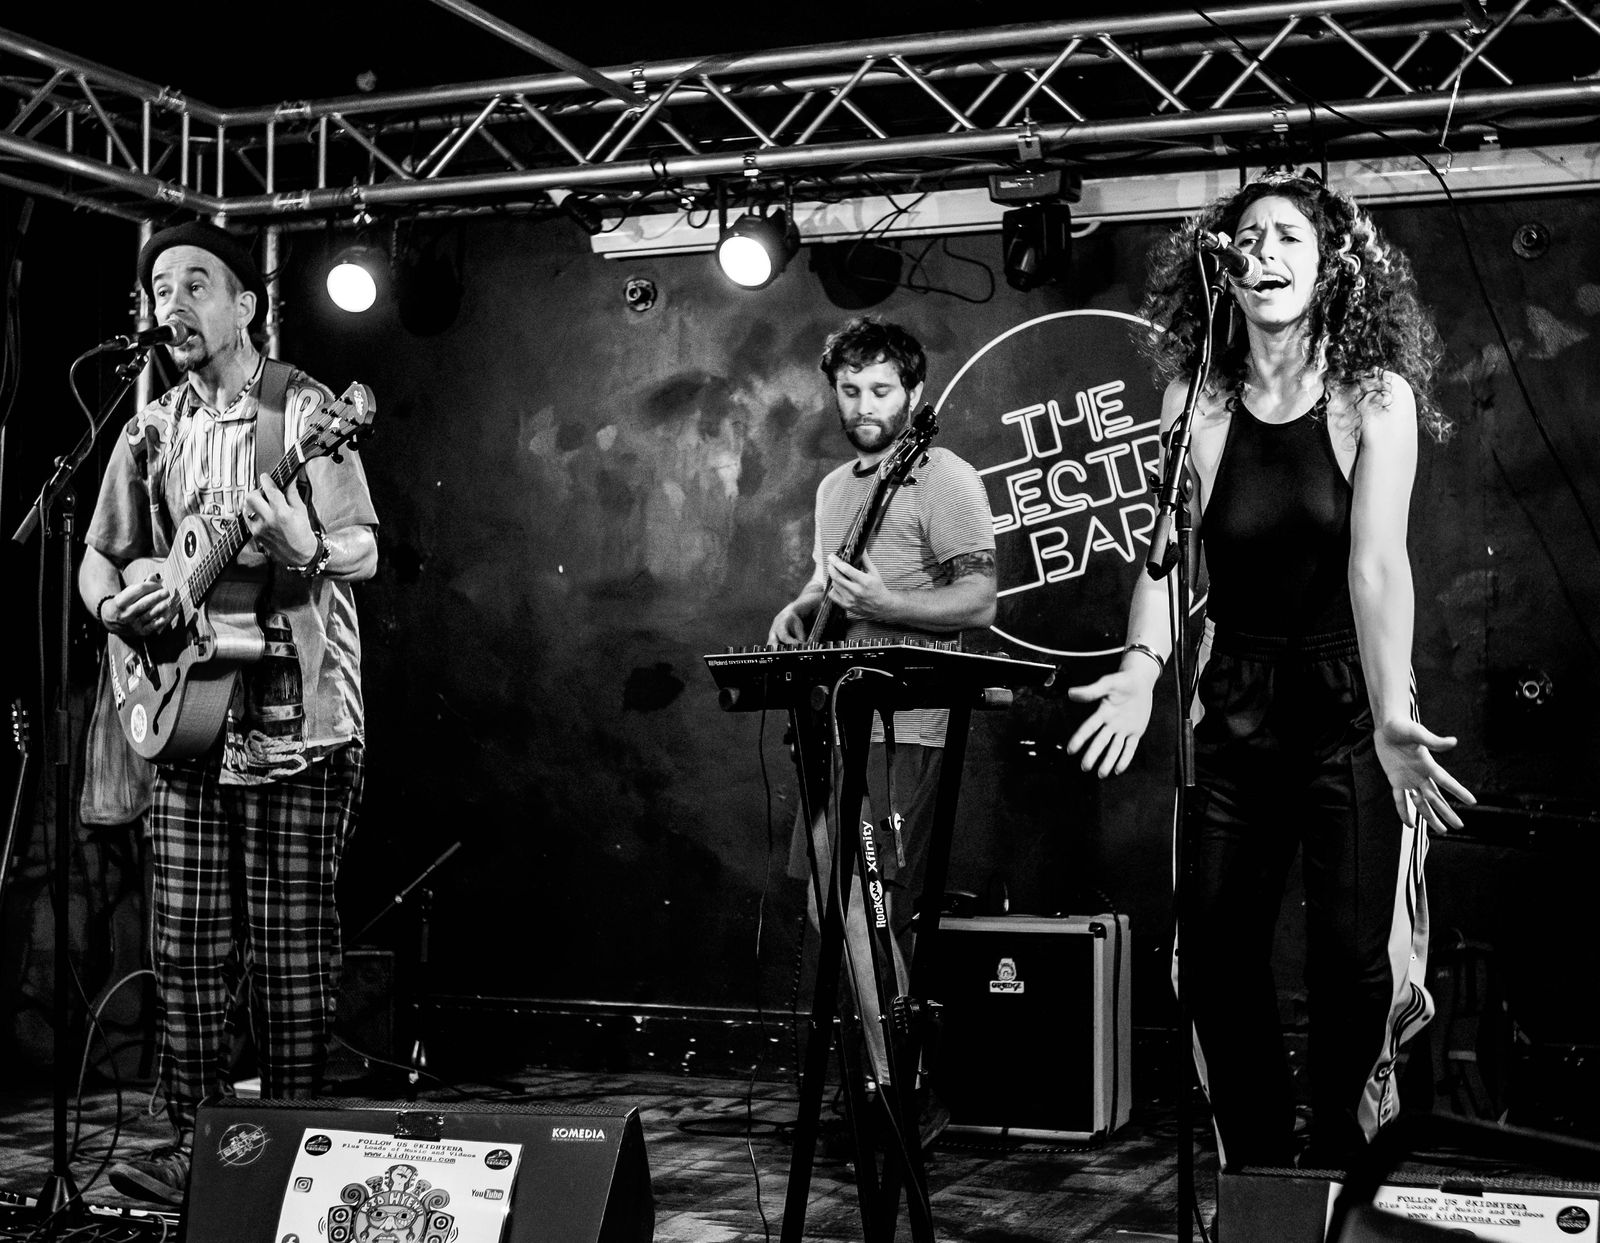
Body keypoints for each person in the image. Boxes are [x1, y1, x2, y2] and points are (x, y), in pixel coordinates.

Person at [1065, 172, 1475, 1173]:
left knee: (1353, 968)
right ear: (1223, 270)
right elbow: (1167, 560)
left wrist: (1389, 712)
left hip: (1347, 704)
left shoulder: (1373, 399)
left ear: (1332, 265)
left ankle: (1340, 1170)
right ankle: (1255, 1176)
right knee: (1211, 961)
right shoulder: (1195, 402)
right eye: (1247, 237)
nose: (1265, 252)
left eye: (1290, 235)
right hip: (1235, 700)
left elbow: (1376, 568)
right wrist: (1138, 668)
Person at [78, 219, 379, 1204]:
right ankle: (198, 1145)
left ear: (245, 305)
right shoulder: (150, 425)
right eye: (159, 288)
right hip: (188, 721)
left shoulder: (307, 410)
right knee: (184, 946)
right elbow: (99, 558)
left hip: (299, 727)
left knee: (288, 951)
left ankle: (295, 1154)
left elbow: (364, 546)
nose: (171, 303)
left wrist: (307, 549)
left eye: (194, 284)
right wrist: (116, 608)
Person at [767, 316, 996, 1143]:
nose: (865, 405)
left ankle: (903, 1083)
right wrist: (800, 609)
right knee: (833, 904)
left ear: (915, 392)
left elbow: (979, 599)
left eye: (881, 389)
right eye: (850, 389)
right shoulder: (836, 487)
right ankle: (884, 1075)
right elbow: (832, 581)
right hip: (838, 717)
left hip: (908, 724)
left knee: (872, 902)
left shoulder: (945, 477)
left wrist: (888, 605)